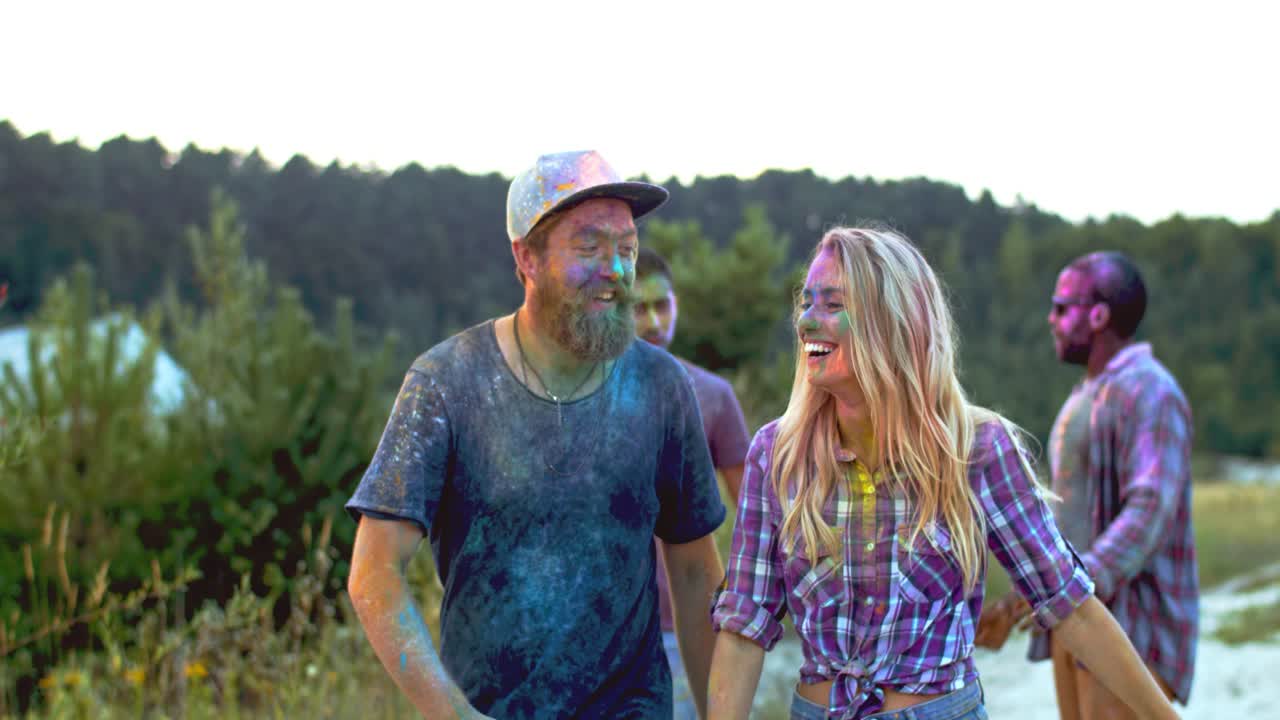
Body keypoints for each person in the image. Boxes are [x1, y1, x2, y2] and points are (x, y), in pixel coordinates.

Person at [706, 227, 1181, 720]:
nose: (807, 320)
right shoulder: (777, 453)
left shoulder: (976, 448)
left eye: (832, 304)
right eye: (807, 303)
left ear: (894, 321)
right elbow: (744, 628)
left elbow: (1071, 607)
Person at [345, 150, 727, 719]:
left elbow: (696, 573)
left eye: (626, 249)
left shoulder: (661, 386)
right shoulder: (447, 382)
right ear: (526, 257)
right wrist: (454, 714)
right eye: (589, 247)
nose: (616, 270)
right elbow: (374, 574)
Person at [977, 251, 1197, 720]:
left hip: (1130, 630)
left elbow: (1149, 511)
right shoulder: (1088, 393)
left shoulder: (1151, 390)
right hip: (1074, 620)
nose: (1051, 319)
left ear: (1098, 316)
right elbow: (1067, 518)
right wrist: (1028, 595)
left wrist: (1073, 586)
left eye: (1061, 308)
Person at [634, 247, 751, 719]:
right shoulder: (581, 398)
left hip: (688, 626)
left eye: (661, 306)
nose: (653, 322)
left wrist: (745, 608)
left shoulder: (713, 396)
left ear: (676, 305)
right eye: (638, 308)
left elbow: (758, 515)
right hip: (606, 629)